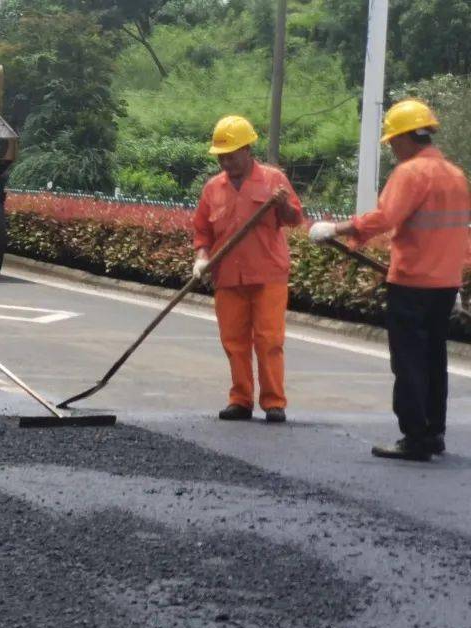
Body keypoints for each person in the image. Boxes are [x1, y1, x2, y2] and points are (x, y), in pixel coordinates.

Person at [309, 99, 471, 462]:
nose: (393, 149)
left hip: (412, 283)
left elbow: (385, 217)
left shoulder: (411, 173)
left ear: (406, 138)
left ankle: (414, 437)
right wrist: (456, 283)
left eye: (393, 141)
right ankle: (433, 433)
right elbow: (461, 236)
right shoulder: (457, 175)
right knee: (433, 358)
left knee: (409, 360)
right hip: (444, 285)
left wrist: (336, 228)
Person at [193, 115, 304, 423]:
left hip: (267, 273)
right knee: (234, 340)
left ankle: (273, 402)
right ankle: (240, 399)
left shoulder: (273, 180)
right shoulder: (213, 188)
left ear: (247, 150)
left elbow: (295, 218)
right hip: (227, 276)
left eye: (230, 155)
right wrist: (202, 258)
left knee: (269, 340)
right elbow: (202, 231)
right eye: (221, 157)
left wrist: (281, 205)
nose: (225, 162)